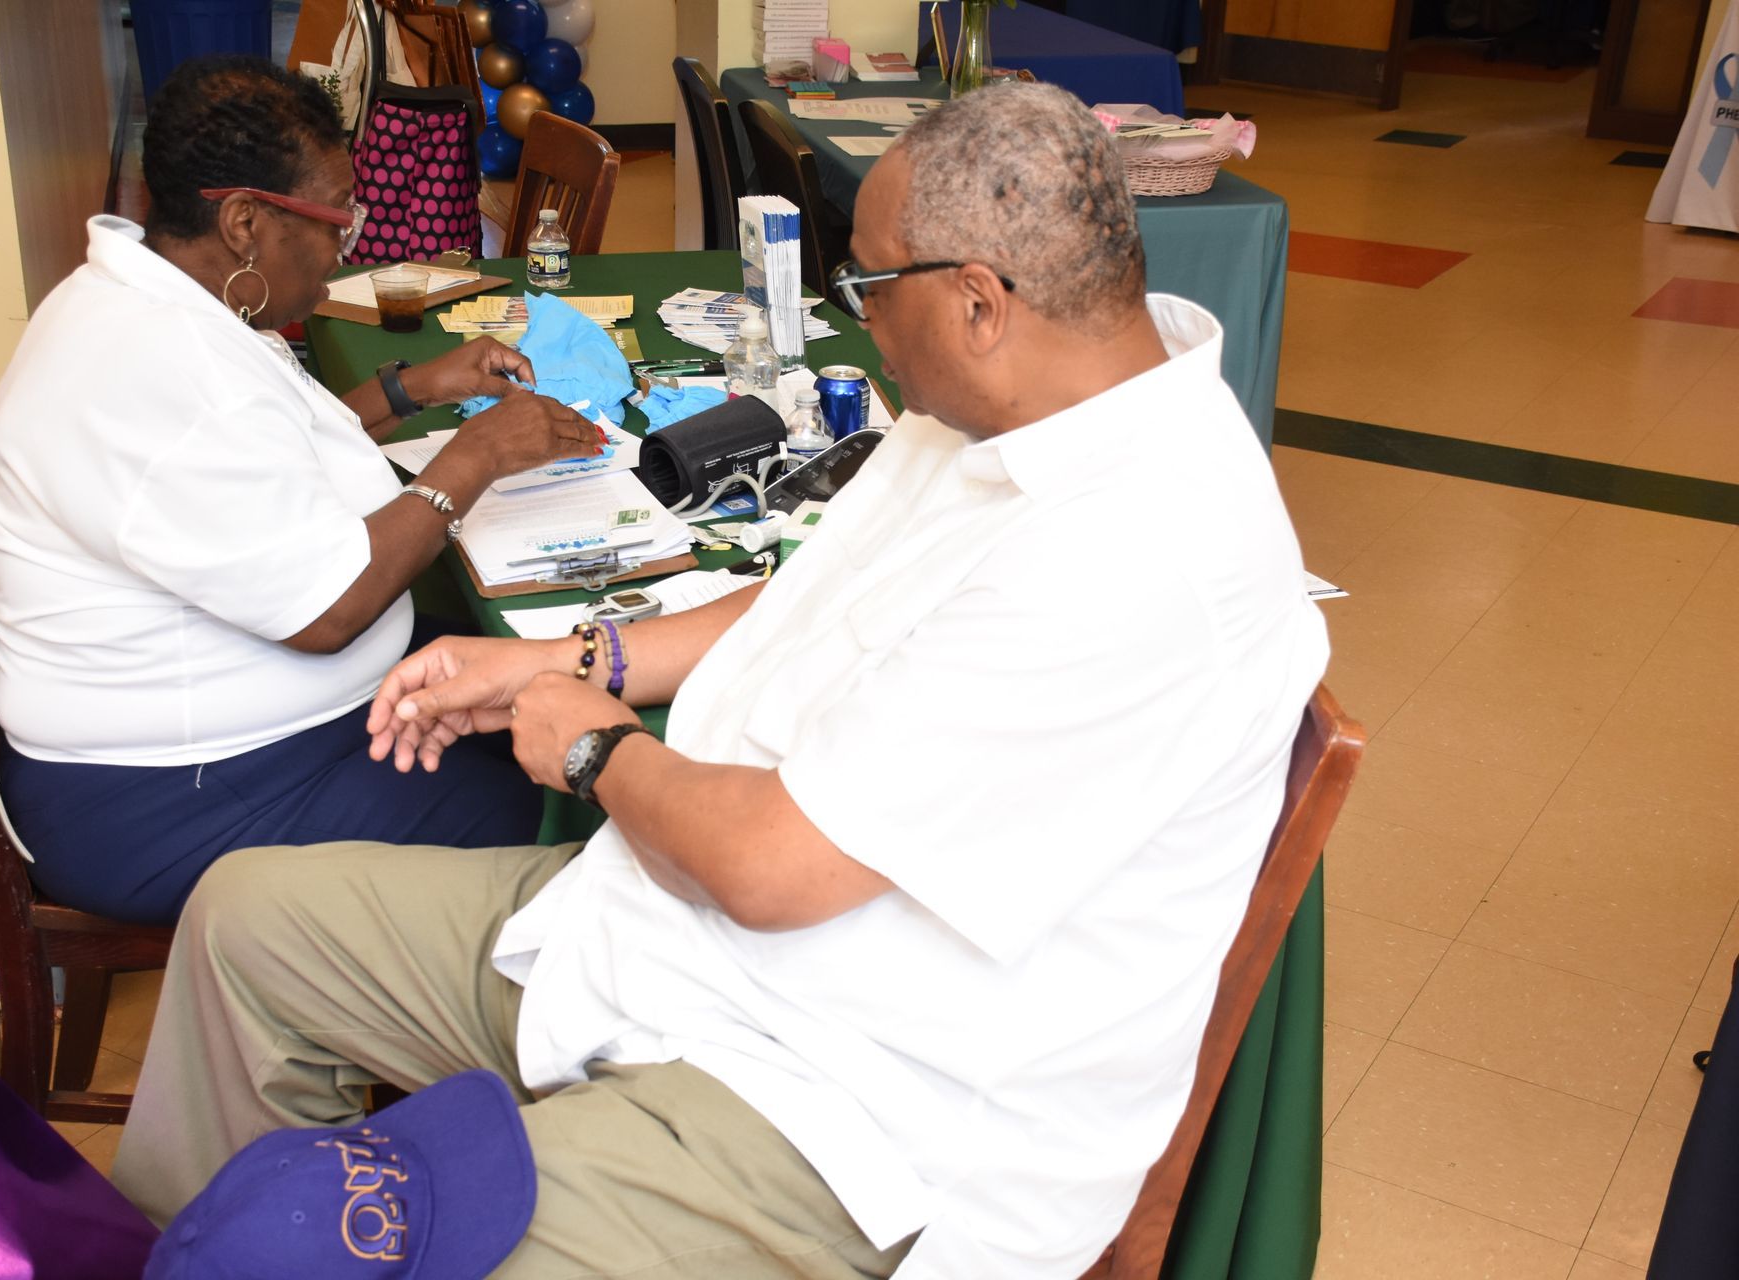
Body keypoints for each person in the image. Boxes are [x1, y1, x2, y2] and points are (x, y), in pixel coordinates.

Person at [113, 83, 1332, 1278]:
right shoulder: (999, 411)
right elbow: (810, 594)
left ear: (978, 300)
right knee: (246, 924)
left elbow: (769, 869)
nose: (861, 314)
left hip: (851, 1107)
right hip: (682, 938)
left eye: (870, 284)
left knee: (454, 1249)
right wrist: (561, 657)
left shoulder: (1139, 548)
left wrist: (593, 744)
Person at [0, 57, 603, 925]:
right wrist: (476, 456)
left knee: (527, 695)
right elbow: (330, 612)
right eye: (338, 221)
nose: (347, 245)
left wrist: (408, 392)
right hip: (176, 798)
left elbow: (253, 460)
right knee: (552, 825)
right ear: (242, 222)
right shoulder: (169, 369)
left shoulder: (148, 298)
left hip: (224, 745)